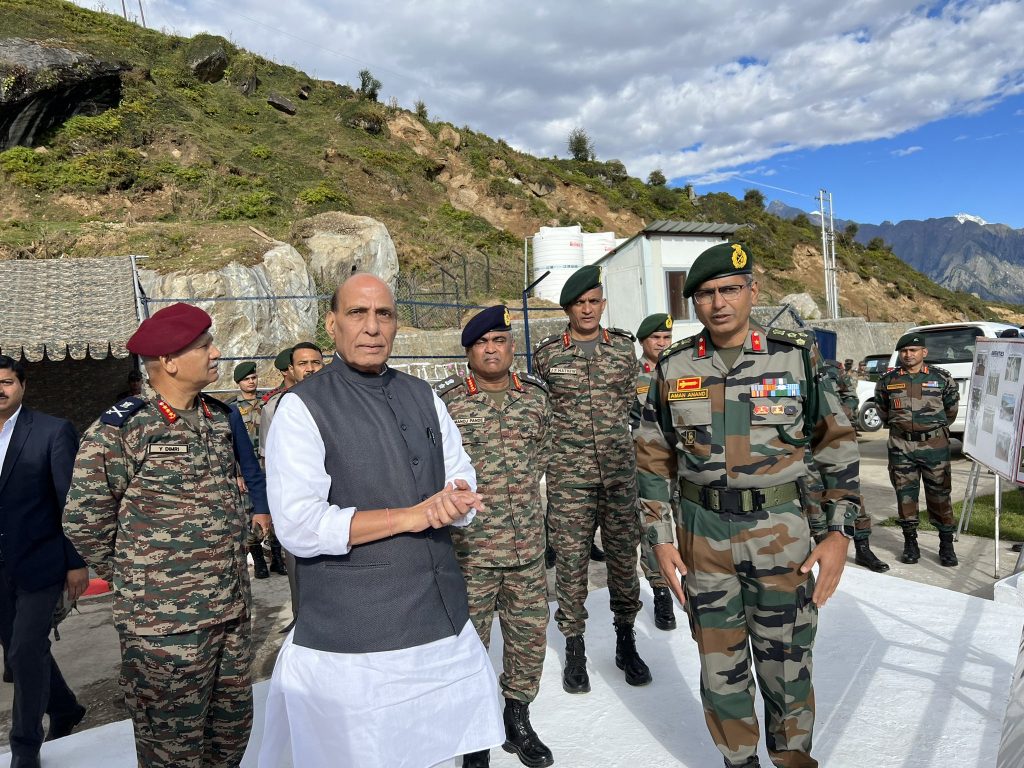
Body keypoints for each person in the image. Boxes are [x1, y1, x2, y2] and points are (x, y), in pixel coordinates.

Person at [258, 273, 504, 768]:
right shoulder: (301, 408)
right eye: (357, 313)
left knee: (439, 752)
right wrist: (411, 517)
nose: (372, 327)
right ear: (332, 324)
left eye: (384, 314)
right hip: (357, 643)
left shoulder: (424, 395)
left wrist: (456, 503)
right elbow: (300, 526)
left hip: (441, 624)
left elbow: (459, 473)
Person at [635, 242, 861, 768]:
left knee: (787, 664)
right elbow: (651, 457)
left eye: (730, 289)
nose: (719, 302)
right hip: (701, 537)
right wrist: (660, 538)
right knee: (720, 672)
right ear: (694, 303)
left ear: (752, 292)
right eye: (707, 293)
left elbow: (837, 444)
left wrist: (838, 533)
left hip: (780, 535)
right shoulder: (673, 367)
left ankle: (793, 760)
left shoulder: (795, 356)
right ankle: (739, 762)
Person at [63, 303, 255, 768]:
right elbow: (84, 517)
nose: (216, 353)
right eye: (205, 346)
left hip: (229, 613)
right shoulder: (123, 429)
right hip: (164, 629)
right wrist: (138, 575)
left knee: (229, 740)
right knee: (172, 749)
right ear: (168, 361)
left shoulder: (216, 418)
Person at [436, 305, 553, 768]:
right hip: (472, 552)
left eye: (499, 340)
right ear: (469, 351)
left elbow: (541, 457)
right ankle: (475, 737)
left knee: (529, 640)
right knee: (470, 645)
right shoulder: (447, 405)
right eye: (482, 342)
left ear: (510, 346)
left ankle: (517, 718)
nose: (491, 348)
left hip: (527, 547)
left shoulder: (536, 399)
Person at [532, 263, 651, 694]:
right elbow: (543, 412)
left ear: (603, 303)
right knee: (570, 564)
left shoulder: (623, 350)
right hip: (569, 478)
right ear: (568, 308)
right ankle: (575, 647)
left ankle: (625, 639)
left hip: (620, 476)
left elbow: (628, 406)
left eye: (594, 301)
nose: (587, 309)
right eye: (580, 303)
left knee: (623, 559)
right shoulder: (547, 354)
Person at [0, 355, 88, 768]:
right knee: (22, 650)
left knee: (23, 651)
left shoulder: (52, 432)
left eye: (7, 381)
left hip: (40, 561)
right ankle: (66, 707)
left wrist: (75, 561)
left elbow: (70, 502)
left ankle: (24, 747)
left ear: (22, 386)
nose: (0, 389)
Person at [874, 332, 960, 567]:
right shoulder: (888, 380)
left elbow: (951, 411)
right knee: (905, 496)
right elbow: (883, 411)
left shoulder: (941, 378)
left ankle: (946, 544)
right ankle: (910, 542)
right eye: (903, 351)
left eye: (913, 351)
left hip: (934, 447)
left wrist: (930, 432)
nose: (908, 355)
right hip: (901, 446)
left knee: (940, 495)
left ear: (924, 352)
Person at [259, 343, 323, 620]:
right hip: (296, 495)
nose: (309, 369)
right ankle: (301, 618)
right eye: (303, 364)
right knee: (296, 560)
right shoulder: (275, 407)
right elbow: (269, 460)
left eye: (315, 363)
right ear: (291, 370)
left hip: (336, 492)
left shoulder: (340, 399)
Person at [631, 313, 677, 630]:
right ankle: (660, 590)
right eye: (656, 339)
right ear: (644, 341)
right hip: (643, 463)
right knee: (652, 524)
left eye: (666, 339)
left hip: (679, 462)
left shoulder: (680, 369)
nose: (661, 344)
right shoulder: (630, 376)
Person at [821, 360, 889, 573]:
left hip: (834, 440)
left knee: (849, 493)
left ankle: (863, 548)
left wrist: (837, 416)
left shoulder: (831, 369)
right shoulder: (778, 366)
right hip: (796, 444)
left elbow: (850, 396)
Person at [226, 362, 283, 580]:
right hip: (250, 470)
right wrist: (238, 472)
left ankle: (277, 557)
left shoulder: (266, 404)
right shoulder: (232, 409)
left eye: (254, 377)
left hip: (270, 466)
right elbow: (233, 445)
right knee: (252, 514)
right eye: (246, 379)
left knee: (277, 512)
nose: (251, 381)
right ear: (238, 382)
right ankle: (259, 559)